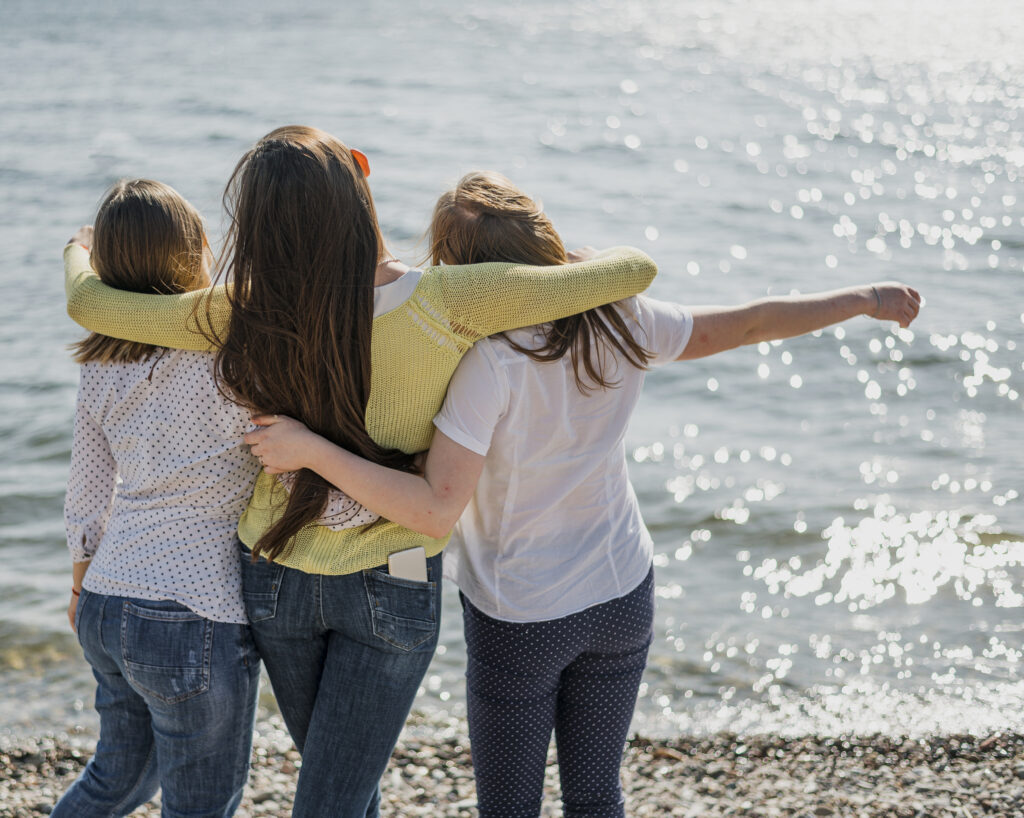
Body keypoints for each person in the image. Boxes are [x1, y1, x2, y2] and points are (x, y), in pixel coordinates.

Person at [242, 171, 923, 818]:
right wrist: (863, 298)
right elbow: (748, 323)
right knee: (597, 799)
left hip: (523, 612)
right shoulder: (621, 315)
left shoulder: (486, 362)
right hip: (623, 588)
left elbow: (432, 507)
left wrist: (312, 449)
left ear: (467, 273)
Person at [60, 126, 659, 817]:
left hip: (275, 567)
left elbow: (92, 307)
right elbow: (635, 272)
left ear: (257, 225)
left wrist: (77, 251)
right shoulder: (454, 298)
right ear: (360, 185)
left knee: (340, 784)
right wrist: (576, 261)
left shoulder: (242, 311)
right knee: (338, 793)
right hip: (395, 571)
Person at [54, 180, 262, 818]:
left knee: (117, 779)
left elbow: (87, 489)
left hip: (106, 599)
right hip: (192, 608)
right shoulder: (235, 353)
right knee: (201, 804)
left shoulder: (101, 363)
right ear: (199, 247)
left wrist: (78, 587)